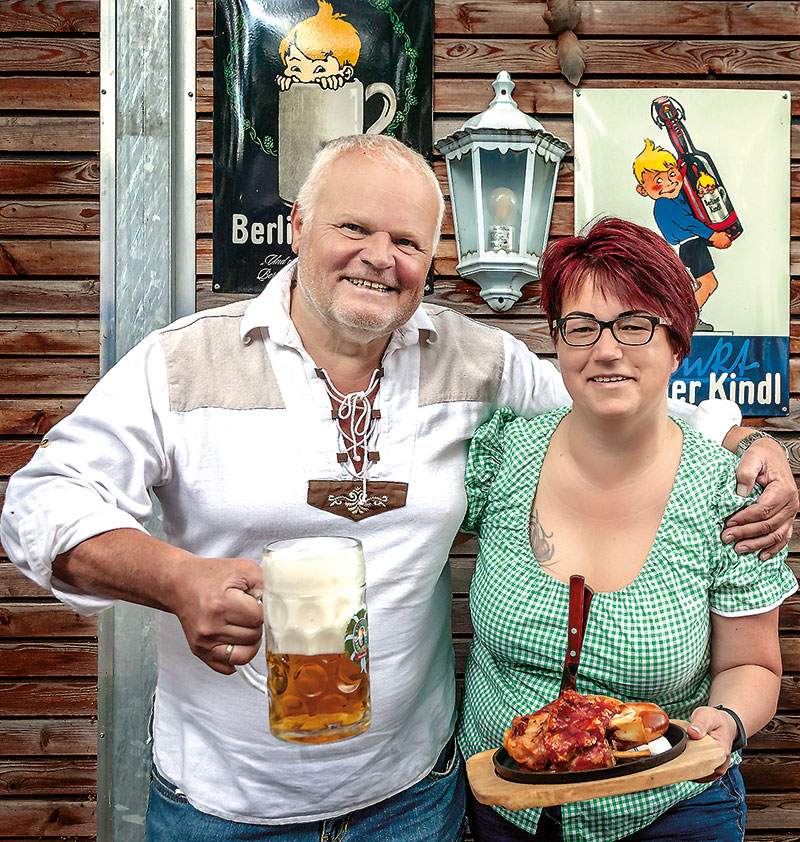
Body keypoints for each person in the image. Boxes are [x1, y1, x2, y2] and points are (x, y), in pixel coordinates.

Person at [0, 136, 795, 841]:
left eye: (407, 240)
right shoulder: (183, 364)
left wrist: (745, 438)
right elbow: (39, 502)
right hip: (225, 805)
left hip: (415, 798)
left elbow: (615, 395)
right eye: (355, 227)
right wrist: (173, 578)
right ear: (298, 227)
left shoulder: (475, 362)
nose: (381, 255)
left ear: (431, 258)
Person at [457, 217, 798, 842]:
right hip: (503, 807)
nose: (605, 349)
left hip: (669, 809)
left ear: (677, 344)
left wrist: (725, 719)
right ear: (558, 344)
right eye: (581, 327)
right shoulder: (503, 454)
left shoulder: (729, 492)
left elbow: (753, 664)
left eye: (635, 324)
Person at [633, 139, 730, 326]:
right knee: (707, 284)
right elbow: (689, 223)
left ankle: (687, 318)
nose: (669, 183)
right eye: (658, 180)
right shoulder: (664, 204)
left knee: (700, 285)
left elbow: (696, 213)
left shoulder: (678, 197)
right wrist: (713, 236)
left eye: (671, 174)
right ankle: (687, 321)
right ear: (642, 190)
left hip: (693, 245)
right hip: (689, 247)